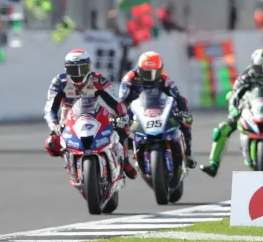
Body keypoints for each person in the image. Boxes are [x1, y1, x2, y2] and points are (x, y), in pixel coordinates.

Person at [199, 49, 263, 178]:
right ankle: (213, 164)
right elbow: (235, 95)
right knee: (221, 130)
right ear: (253, 67)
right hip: (251, 109)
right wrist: (234, 109)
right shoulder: (247, 76)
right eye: (259, 68)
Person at [43, 49, 138, 179]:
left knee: (122, 128)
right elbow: (49, 108)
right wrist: (54, 126)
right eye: (73, 69)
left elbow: (116, 101)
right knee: (51, 144)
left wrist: (123, 117)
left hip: (95, 117)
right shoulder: (60, 82)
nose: (78, 74)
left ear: (89, 67)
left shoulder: (98, 80)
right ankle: (70, 161)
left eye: (82, 69)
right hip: (69, 122)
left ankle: (125, 161)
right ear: (66, 69)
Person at [117, 51, 197, 168]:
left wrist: (184, 112)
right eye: (146, 73)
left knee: (186, 119)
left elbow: (178, 98)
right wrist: (122, 117)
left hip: (159, 109)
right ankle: (125, 160)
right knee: (118, 125)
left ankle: (188, 151)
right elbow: (121, 101)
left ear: (160, 70)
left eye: (155, 73)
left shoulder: (165, 79)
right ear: (139, 69)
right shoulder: (129, 79)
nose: (151, 77)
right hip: (136, 111)